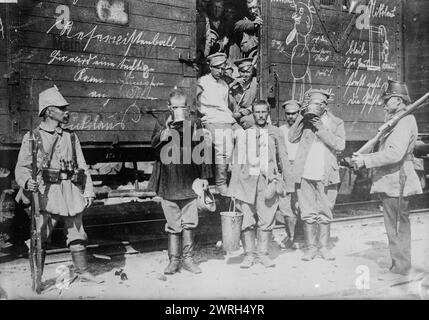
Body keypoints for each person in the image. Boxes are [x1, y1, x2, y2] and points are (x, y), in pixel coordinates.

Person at [14, 85, 103, 284]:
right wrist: (28, 182)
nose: (66, 112)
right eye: (61, 108)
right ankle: (37, 277)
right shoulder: (32, 137)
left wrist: (88, 191)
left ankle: (82, 271)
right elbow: (22, 167)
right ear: (49, 112)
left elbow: (82, 164)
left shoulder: (71, 136)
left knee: (77, 232)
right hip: (46, 193)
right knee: (40, 236)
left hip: (71, 191)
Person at [351, 80, 422, 275]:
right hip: (393, 179)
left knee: (397, 224)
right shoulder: (398, 120)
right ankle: (398, 263)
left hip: (398, 179)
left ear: (398, 101)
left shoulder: (404, 121)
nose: (383, 103)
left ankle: (401, 265)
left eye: (387, 100)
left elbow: (394, 154)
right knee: (394, 223)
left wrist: (365, 160)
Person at [148, 88, 212, 275]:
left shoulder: (194, 123)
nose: (179, 110)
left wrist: (205, 177)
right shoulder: (163, 122)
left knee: (190, 222)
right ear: (169, 107)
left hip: (189, 180)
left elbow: (203, 152)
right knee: (173, 224)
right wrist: (163, 135)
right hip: (168, 180)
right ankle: (173, 260)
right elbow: (152, 145)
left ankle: (189, 259)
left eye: (182, 107)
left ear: (188, 108)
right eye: (175, 107)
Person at [228, 101, 294, 268]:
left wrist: (288, 183)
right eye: (257, 112)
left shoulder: (276, 133)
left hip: (267, 184)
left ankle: (263, 254)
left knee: (267, 219)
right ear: (253, 114)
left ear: (268, 113)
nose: (261, 115)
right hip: (246, 183)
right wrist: (233, 188)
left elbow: (284, 158)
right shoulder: (246, 133)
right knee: (247, 220)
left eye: (264, 112)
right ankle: (249, 255)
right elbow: (237, 161)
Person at [289, 89, 345, 261]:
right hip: (306, 172)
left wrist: (319, 126)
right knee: (307, 212)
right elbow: (292, 137)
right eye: (313, 103)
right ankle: (311, 248)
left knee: (325, 211)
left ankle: (324, 248)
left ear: (324, 106)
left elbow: (339, 145)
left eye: (319, 104)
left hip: (325, 173)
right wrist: (301, 116)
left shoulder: (336, 122)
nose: (316, 107)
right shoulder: (305, 121)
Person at [197, 52, 237, 196]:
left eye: (222, 68)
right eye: (217, 68)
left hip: (225, 119)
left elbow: (227, 105)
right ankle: (219, 183)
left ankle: (229, 181)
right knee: (222, 145)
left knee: (239, 140)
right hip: (211, 119)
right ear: (210, 67)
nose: (220, 71)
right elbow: (196, 102)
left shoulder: (224, 84)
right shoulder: (202, 82)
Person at [277, 100, 301, 249]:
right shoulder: (281, 130)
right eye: (288, 114)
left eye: (294, 114)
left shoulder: (305, 130)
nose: (291, 117)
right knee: (285, 206)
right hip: (285, 170)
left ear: (299, 114)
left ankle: (297, 237)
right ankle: (291, 235)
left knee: (299, 205)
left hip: (300, 170)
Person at [230, 57, 258, 129]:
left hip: (250, 113)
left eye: (248, 72)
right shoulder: (234, 83)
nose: (245, 75)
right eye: (242, 72)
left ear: (252, 72)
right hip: (234, 114)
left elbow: (257, 103)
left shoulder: (255, 83)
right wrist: (232, 84)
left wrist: (242, 113)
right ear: (239, 72)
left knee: (249, 121)